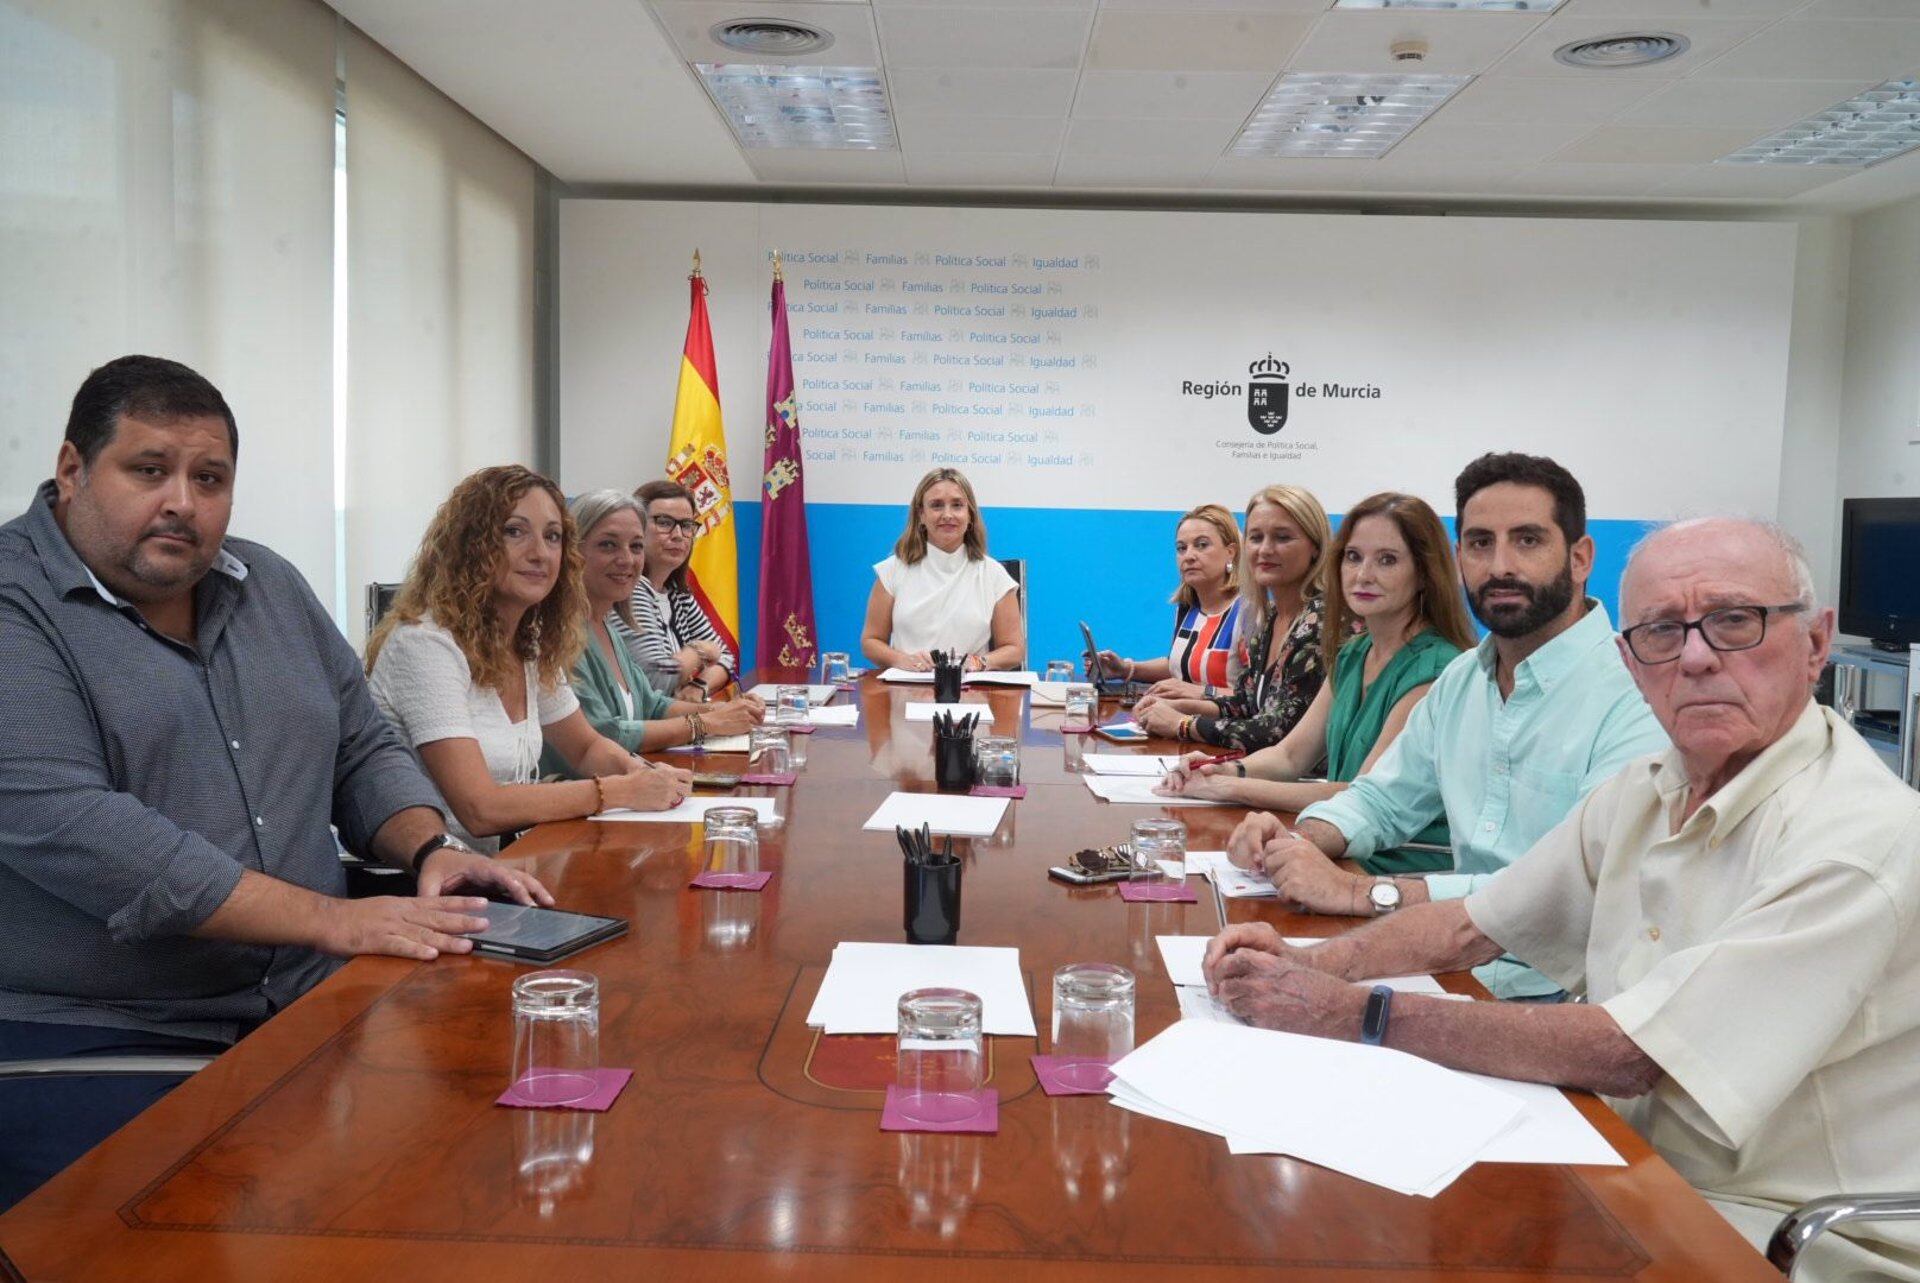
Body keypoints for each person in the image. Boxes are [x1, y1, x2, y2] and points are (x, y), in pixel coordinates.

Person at [1201, 518, 1920, 1283]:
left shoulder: (1858, 838)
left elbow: (1631, 1053)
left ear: (1816, 643)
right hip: (1621, 1157)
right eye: (1664, 632)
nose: (1699, 657)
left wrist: (1347, 1011)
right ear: (1630, 661)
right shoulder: (1648, 786)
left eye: (1735, 621)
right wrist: (1312, 961)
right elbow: (1471, 925)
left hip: (1769, 1230)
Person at [0, 356, 549, 1211]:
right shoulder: (14, 604)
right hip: (98, 1036)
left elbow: (361, 745)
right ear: (72, 470)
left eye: (209, 477)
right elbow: (78, 828)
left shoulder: (271, 586)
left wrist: (429, 846)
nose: (182, 499)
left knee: (501, 1158)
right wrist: (331, 917)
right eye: (149, 469)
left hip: (307, 1009)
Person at [1227, 452, 1667, 999]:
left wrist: (1363, 893)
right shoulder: (1463, 680)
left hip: (1557, 996)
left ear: (1580, 558)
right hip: (1443, 968)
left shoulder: (1639, 691)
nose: (1501, 565)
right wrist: (1296, 842)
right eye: (1481, 543)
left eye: (1527, 540)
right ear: (1459, 559)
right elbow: (1381, 800)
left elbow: (1566, 891)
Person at [366, 466, 691, 853]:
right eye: (514, 532)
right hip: (432, 886)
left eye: (552, 537)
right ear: (472, 545)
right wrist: (618, 791)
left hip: (511, 866)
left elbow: (586, 748)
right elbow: (479, 808)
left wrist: (645, 774)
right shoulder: (424, 645)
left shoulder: (531, 644)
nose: (540, 553)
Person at [1160, 492, 1475, 873]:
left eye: (1387, 560)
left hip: (1402, 865)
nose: (1363, 575)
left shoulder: (1437, 667)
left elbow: (1364, 797)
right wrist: (1221, 769)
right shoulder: (1354, 653)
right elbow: (1291, 756)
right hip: (1339, 847)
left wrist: (1227, 787)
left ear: (1424, 573)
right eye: (1354, 557)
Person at [542, 490, 763, 769]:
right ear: (572, 553)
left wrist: (722, 710)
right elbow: (605, 734)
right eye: (608, 545)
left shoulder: (607, 622)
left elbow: (652, 704)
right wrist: (705, 722)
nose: (626, 560)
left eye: (635, 547)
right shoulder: (557, 634)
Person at [1113, 490, 1333, 751]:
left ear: (1315, 548)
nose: (1265, 549)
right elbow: (1247, 704)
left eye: (1282, 538)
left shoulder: (1319, 622)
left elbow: (1278, 731)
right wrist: (1181, 706)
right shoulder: (1273, 616)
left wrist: (1184, 723)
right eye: (1255, 538)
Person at [860, 466, 1024, 672]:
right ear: (921, 514)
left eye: (957, 505)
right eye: (937, 506)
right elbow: (871, 641)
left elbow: (1014, 649)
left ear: (970, 514)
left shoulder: (994, 574)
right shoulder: (892, 570)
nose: (947, 514)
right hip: (905, 690)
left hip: (971, 693)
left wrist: (978, 663)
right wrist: (901, 660)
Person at [614, 478, 738, 700]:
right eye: (664, 522)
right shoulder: (630, 589)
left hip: (674, 722)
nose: (678, 534)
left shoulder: (677, 594)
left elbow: (726, 657)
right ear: (636, 527)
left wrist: (699, 686)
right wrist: (700, 651)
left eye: (687, 525)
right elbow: (657, 677)